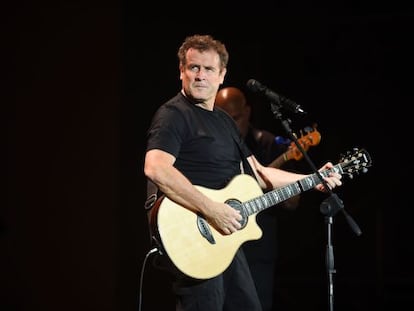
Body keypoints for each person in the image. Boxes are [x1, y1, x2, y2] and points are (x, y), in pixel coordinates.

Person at [143, 34, 342, 311]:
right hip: (194, 234)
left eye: (208, 69)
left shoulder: (224, 121)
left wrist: (313, 179)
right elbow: (156, 167)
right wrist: (212, 209)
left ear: (222, 75)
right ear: (181, 71)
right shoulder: (173, 115)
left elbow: (259, 174)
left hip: (222, 238)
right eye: (193, 68)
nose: (200, 75)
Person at [215, 86, 302, 311]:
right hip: (216, 243)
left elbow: (292, 203)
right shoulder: (210, 145)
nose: (231, 124)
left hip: (257, 248)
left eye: (235, 118)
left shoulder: (269, 144)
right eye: (223, 118)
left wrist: (270, 187)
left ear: (247, 112)